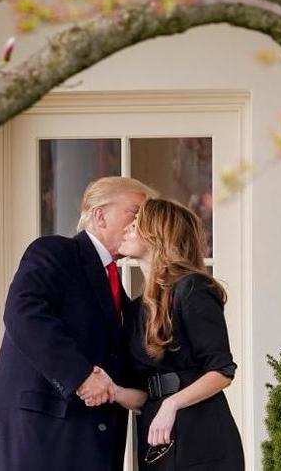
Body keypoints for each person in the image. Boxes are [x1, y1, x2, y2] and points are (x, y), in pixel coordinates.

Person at [0, 177, 157, 471]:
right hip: (37, 439)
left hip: (88, 447)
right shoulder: (55, 252)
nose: (142, 224)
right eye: (135, 212)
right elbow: (24, 313)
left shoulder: (120, 289)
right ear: (100, 215)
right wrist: (80, 375)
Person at [83, 198, 244, 469]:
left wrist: (172, 405)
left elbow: (222, 371)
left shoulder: (193, 289)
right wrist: (112, 390)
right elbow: (143, 393)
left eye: (135, 226)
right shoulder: (135, 308)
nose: (126, 231)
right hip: (156, 436)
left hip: (201, 434)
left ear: (157, 234)